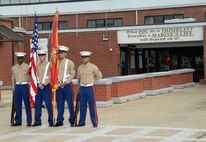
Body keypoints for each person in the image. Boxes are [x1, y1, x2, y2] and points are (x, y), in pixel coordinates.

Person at [77, 51, 102, 127]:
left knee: (92, 106)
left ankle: (94, 122)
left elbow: (99, 76)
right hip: (82, 88)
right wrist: (79, 89)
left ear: (89, 58)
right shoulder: (79, 67)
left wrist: (92, 80)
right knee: (82, 106)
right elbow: (78, 79)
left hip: (90, 88)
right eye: (83, 57)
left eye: (85, 57)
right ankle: (82, 122)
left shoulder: (93, 67)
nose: (84, 59)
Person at [32, 50, 53, 127]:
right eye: (39, 55)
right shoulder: (37, 65)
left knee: (48, 104)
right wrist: (38, 84)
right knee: (38, 104)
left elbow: (50, 76)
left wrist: (44, 84)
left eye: (42, 55)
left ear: (45, 56)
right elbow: (36, 75)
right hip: (38, 87)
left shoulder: (49, 64)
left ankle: (51, 121)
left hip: (46, 86)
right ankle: (37, 121)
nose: (40, 57)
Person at [55, 45, 75, 127]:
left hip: (67, 85)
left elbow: (72, 74)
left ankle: (72, 120)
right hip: (59, 86)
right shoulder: (56, 63)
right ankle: (60, 120)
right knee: (60, 104)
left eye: (62, 53)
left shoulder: (70, 62)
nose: (60, 54)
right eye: (59, 53)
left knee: (70, 103)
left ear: (66, 53)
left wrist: (66, 82)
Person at [11, 52, 32, 126]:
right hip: (17, 87)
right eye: (18, 58)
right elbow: (13, 79)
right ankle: (18, 121)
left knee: (27, 104)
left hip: (24, 86)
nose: (19, 59)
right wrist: (13, 89)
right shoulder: (14, 68)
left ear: (23, 58)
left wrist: (30, 87)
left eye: (20, 58)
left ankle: (29, 121)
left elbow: (30, 78)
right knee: (18, 105)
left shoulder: (28, 67)